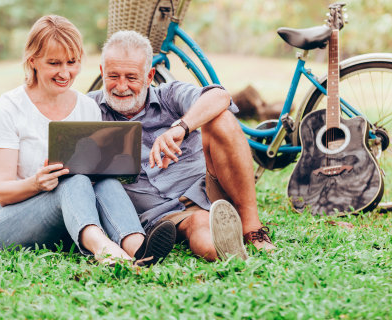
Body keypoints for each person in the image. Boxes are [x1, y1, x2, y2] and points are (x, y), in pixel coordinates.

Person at [0, 15, 175, 266]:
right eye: (54, 63)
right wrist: (37, 183)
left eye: (72, 62)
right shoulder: (10, 107)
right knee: (72, 180)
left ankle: (137, 246)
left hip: (68, 220)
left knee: (104, 182)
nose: (65, 72)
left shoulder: (87, 107)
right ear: (33, 61)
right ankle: (103, 248)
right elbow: (2, 191)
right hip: (11, 221)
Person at [88, 30, 276, 261]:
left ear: (149, 76)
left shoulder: (169, 95)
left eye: (132, 77)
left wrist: (180, 127)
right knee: (202, 232)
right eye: (113, 76)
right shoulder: (88, 109)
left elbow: (220, 96)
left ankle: (250, 226)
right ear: (101, 72)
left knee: (221, 118)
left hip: (206, 189)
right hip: (161, 217)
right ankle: (226, 248)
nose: (121, 86)